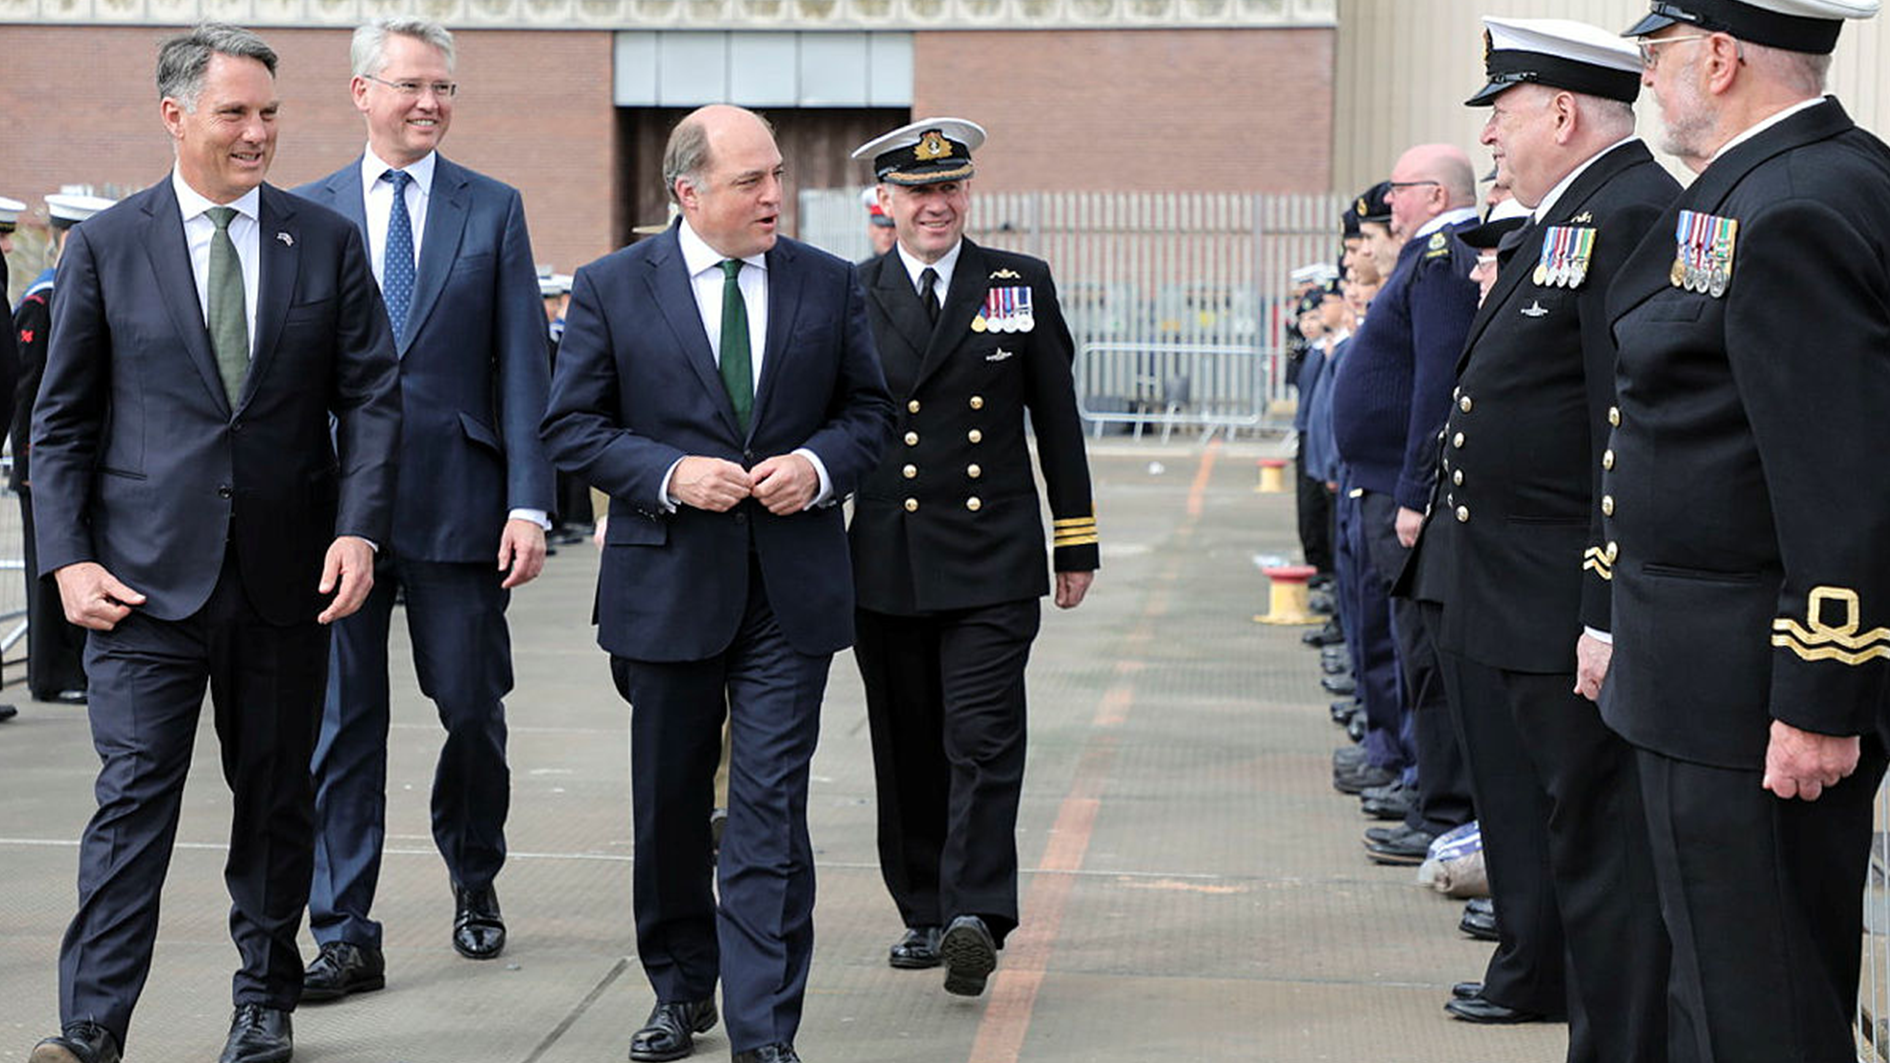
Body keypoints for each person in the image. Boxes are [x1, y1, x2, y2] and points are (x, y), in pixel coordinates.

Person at [26, 22, 400, 1063]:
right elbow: (59, 423)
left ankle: (262, 998)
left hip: (288, 583)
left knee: (277, 801)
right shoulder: (106, 245)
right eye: (235, 112)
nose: (258, 133)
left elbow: (372, 397)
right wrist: (67, 558)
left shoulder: (322, 240)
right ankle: (93, 1023)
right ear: (174, 115)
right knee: (131, 803)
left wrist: (361, 529)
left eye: (270, 113)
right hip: (140, 586)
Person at [541, 104, 892, 1063]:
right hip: (667, 588)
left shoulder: (827, 284)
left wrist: (817, 467)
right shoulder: (615, 287)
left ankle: (764, 1031)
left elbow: (870, 413)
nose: (775, 194)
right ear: (688, 193)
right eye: (752, 181)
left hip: (792, 590)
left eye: (776, 174)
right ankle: (680, 988)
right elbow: (571, 428)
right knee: (669, 807)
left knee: (768, 809)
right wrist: (667, 475)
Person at [1602, 2, 1888, 1059]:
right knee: (1720, 996)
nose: (1647, 79)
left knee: (1757, 1009)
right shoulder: (1776, 186)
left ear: (1719, 58)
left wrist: (1821, 693)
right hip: (1704, 683)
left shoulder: (1800, 202)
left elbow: (1839, 478)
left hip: (1748, 701)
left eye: (1657, 53)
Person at [1405, 16, 1681, 1053]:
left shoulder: (1634, 212)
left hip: (1561, 604)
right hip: (1506, 595)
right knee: (1562, 843)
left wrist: (1601, 608)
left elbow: (1626, 430)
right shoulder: (1575, 217)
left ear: (1562, 112)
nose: (1490, 139)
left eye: (1504, 114)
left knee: (1603, 858)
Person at [289, 16, 553, 998]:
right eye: (411, 86)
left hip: (462, 511)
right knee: (342, 724)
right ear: (363, 92)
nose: (430, 103)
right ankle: (346, 925)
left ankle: (473, 878)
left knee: (473, 712)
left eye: (443, 88)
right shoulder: (306, 212)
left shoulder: (494, 210)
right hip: (337, 519)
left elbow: (526, 367)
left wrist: (529, 501)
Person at [844, 118, 1098, 996]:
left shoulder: (1014, 285)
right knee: (907, 742)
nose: (936, 204)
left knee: (983, 738)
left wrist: (1077, 538)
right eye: (918, 191)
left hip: (992, 554)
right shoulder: (855, 290)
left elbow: (1056, 419)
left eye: (950, 188)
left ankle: (975, 913)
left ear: (967, 195)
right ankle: (923, 906)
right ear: (886, 200)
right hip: (886, 555)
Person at [12, 194, 116, 709]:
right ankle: (51, 674)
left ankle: (72, 665)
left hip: (77, 464)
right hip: (43, 467)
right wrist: (35, 467)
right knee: (51, 571)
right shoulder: (45, 299)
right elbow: (31, 393)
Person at [861, 186, 896, 258]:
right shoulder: (859, 269)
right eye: (881, 226)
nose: (887, 232)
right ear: (870, 229)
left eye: (893, 226)